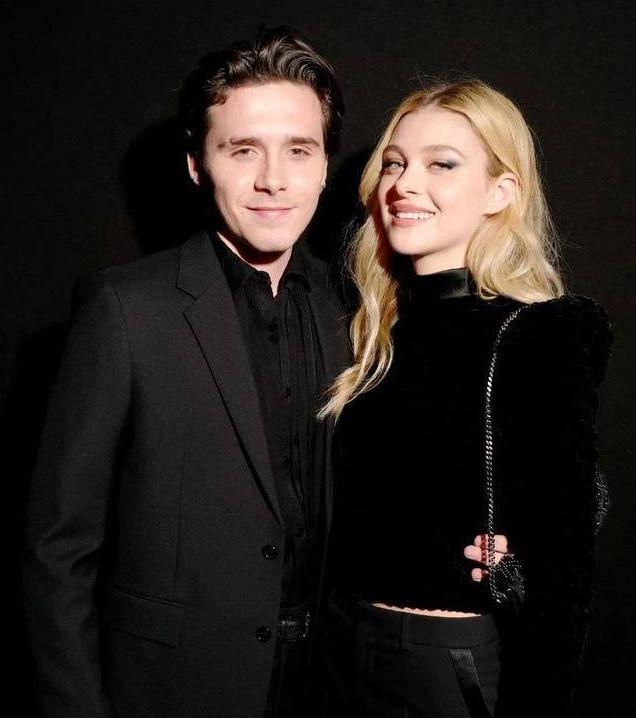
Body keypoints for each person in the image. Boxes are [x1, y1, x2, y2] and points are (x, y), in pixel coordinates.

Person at [22, 29, 503, 718]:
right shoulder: (124, 309)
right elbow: (57, 549)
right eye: (243, 149)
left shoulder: (359, 307)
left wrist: (493, 538)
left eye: (299, 150)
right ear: (197, 164)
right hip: (175, 688)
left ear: (326, 165)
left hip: (335, 684)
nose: (273, 179)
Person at [321, 80, 612, 717]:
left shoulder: (539, 332)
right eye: (394, 163)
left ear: (501, 191)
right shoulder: (364, 327)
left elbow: (565, 564)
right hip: (335, 647)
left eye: (442, 164)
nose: (404, 184)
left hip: (439, 661)